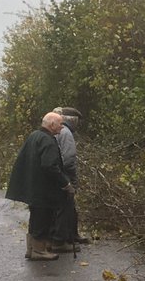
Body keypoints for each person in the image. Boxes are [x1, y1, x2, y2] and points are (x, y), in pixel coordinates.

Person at [5, 112, 73, 261]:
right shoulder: (48, 140)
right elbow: (50, 166)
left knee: (35, 218)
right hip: (43, 189)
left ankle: (31, 249)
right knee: (43, 218)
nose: (62, 128)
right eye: (60, 124)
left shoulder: (34, 135)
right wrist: (65, 183)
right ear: (52, 124)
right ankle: (39, 251)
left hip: (33, 186)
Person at [49, 106, 86, 251]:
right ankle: (60, 240)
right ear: (73, 120)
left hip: (58, 175)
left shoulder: (58, 132)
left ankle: (72, 234)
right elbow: (69, 159)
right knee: (66, 207)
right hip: (65, 176)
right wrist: (68, 179)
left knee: (69, 208)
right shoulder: (66, 133)